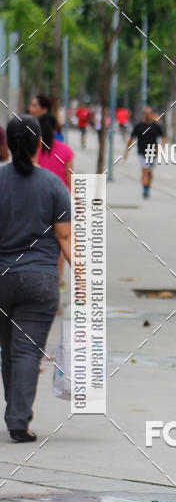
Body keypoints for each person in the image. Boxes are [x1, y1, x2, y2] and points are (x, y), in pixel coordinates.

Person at [0, 115, 71, 442]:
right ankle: (18, 420)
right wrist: (83, 276)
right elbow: (65, 237)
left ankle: (14, 410)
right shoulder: (53, 184)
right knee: (27, 351)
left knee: (8, 349)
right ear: (39, 142)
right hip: (40, 280)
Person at [38, 113, 74, 290]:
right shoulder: (66, 151)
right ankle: (57, 281)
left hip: (37, 201)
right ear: (55, 129)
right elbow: (70, 181)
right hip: (60, 202)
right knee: (61, 241)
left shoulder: (34, 150)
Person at [123, 106, 165, 199]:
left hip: (153, 152)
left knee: (149, 172)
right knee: (144, 170)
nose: (147, 115)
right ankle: (145, 189)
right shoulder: (139, 126)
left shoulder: (155, 126)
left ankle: (147, 187)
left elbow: (164, 136)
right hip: (142, 152)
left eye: (149, 113)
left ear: (151, 114)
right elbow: (131, 138)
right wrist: (127, 151)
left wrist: (161, 147)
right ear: (143, 114)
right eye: (145, 113)